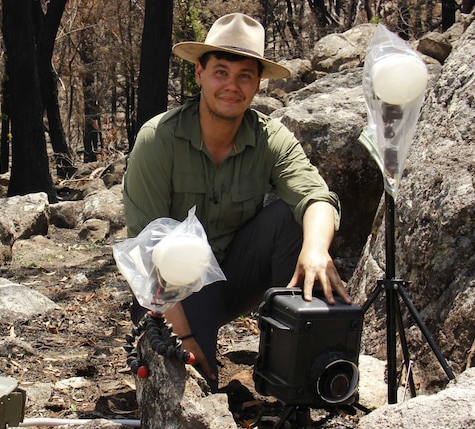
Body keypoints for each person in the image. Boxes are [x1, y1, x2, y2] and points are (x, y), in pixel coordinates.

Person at [123, 13, 352, 391]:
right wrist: (183, 339)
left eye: (244, 75)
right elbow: (144, 251)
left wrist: (315, 250)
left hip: (237, 275)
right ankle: (177, 348)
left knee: (292, 219)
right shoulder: (158, 139)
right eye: (221, 72)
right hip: (174, 291)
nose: (232, 86)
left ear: (257, 83)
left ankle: (295, 372)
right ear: (199, 74)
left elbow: (316, 197)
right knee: (196, 389)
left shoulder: (268, 137)